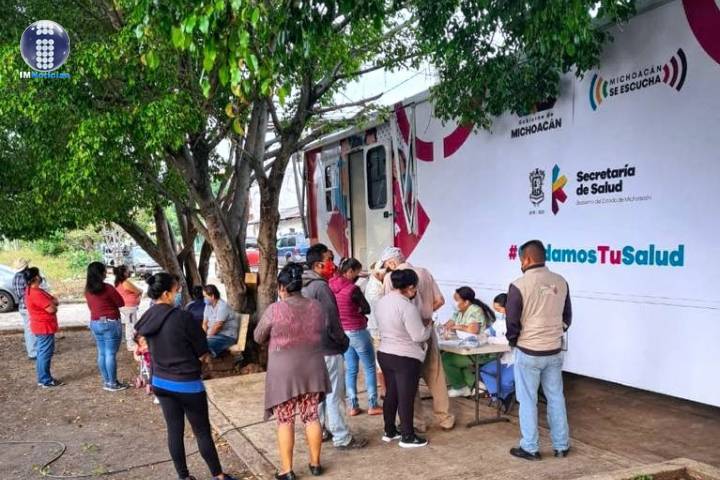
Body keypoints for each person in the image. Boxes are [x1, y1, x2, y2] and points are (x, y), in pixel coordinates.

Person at [135, 273, 238, 480]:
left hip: (160, 382)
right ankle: (218, 476)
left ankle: (183, 477)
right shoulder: (183, 318)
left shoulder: (146, 317)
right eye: (176, 291)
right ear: (166, 294)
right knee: (202, 432)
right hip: (187, 385)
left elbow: (142, 343)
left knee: (174, 431)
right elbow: (203, 351)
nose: (178, 294)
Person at [254, 263, 332, 480]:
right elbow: (323, 329)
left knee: (285, 420)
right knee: (311, 416)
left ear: (281, 287)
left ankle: (287, 470)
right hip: (312, 369)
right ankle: (315, 464)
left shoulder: (275, 310)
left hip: (284, 374)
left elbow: (258, 336)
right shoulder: (316, 306)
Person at [506, 240, 572, 461]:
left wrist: (514, 341)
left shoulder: (519, 285)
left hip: (529, 351)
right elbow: (567, 317)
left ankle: (530, 447)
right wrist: (553, 333)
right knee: (556, 397)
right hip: (554, 351)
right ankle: (561, 445)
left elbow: (512, 322)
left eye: (520, 260)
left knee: (527, 400)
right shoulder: (561, 281)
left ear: (526, 259)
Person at [381, 246, 455, 432]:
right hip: (427, 329)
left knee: (408, 379)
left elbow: (392, 307)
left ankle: (417, 422)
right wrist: (426, 314)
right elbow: (440, 300)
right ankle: (445, 418)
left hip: (404, 336)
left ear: (391, 262)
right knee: (436, 375)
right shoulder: (425, 272)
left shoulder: (391, 278)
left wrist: (413, 317)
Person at [301, 243, 366, 450]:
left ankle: (320, 430)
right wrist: (343, 342)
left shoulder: (302, 285)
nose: (333, 264)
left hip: (309, 350)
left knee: (318, 394)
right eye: (329, 260)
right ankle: (342, 437)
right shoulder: (321, 287)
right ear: (318, 265)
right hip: (327, 349)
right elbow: (332, 321)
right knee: (334, 395)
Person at [375, 269, 432, 448]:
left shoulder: (382, 302)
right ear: (410, 287)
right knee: (406, 397)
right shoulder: (407, 307)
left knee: (391, 394)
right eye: (415, 288)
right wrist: (429, 326)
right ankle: (408, 436)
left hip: (385, 352)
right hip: (405, 357)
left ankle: (389, 431)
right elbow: (418, 336)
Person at [329, 258, 382, 417]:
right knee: (369, 367)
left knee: (351, 369)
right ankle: (372, 404)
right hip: (358, 331)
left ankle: (353, 406)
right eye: (357, 272)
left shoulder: (330, 285)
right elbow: (366, 308)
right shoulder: (353, 289)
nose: (358, 276)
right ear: (350, 271)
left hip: (343, 333)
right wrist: (357, 310)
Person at [440, 286, 496, 398]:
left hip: (480, 351)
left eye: (457, 300)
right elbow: (448, 324)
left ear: (466, 302)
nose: (454, 303)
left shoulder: (475, 310)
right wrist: (443, 328)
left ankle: (460, 387)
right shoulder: (459, 311)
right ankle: (475, 385)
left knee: (447, 360)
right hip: (466, 348)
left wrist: (457, 327)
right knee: (446, 355)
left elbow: (473, 330)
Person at [85, 262, 128, 392]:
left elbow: (91, 306)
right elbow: (121, 302)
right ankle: (113, 383)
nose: (106, 272)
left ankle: (107, 381)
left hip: (95, 322)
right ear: (101, 273)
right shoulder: (107, 288)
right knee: (110, 353)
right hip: (110, 322)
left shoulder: (87, 290)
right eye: (104, 270)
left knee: (102, 352)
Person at [25, 267, 63, 388]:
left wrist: (53, 302)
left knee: (43, 352)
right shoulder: (36, 293)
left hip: (42, 326)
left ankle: (44, 378)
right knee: (44, 353)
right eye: (39, 274)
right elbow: (52, 308)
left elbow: (54, 301)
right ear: (36, 277)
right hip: (44, 327)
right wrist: (53, 304)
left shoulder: (34, 290)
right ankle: (45, 380)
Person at [480, 293, 516, 410]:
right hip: (504, 359)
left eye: (498, 309)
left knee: (505, 381)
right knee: (485, 371)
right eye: (495, 309)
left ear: (508, 308)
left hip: (516, 360)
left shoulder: (516, 322)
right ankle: (497, 397)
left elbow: (508, 341)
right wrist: (484, 335)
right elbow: (489, 331)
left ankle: (506, 396)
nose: (496, 312)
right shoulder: (500, 322)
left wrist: (490, 339)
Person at [364, 260, 387, 397]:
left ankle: (385, 390)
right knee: (381, 362)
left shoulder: (374, 284)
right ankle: (385, 391)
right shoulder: (375, 289)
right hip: (379, 330)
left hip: (376, 329)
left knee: (381, 361)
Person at [202, 285, 239, 358]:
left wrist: (207, 337)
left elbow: (217, 326)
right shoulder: (208, 306)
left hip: (227, 337)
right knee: (199, 343)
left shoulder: (222, 306)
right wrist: (203, 336)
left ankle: (209, 359)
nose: (204, 298)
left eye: (205, 296)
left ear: (212, 296)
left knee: (204, 345)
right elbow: (204, 323)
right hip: (214, 335)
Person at [114, 265, 143, 351]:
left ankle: (132, 343)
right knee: (130, 325)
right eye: (127, 271)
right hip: (129, 308)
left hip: (127, 307)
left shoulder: (118, 282)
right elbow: (139, 291)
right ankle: (130, 344)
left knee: (131, 324)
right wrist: (139, 294)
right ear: (124, 273)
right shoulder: (125, 282)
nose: (129, 272)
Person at [13, 258, 35, 360]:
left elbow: (19, 294)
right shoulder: (26, 277)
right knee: (31, 330)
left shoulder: (15, 277)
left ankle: (32, 350)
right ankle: (33, 352)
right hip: (28, 306)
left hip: (22, 306)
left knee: (28, 329)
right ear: (26, 266)